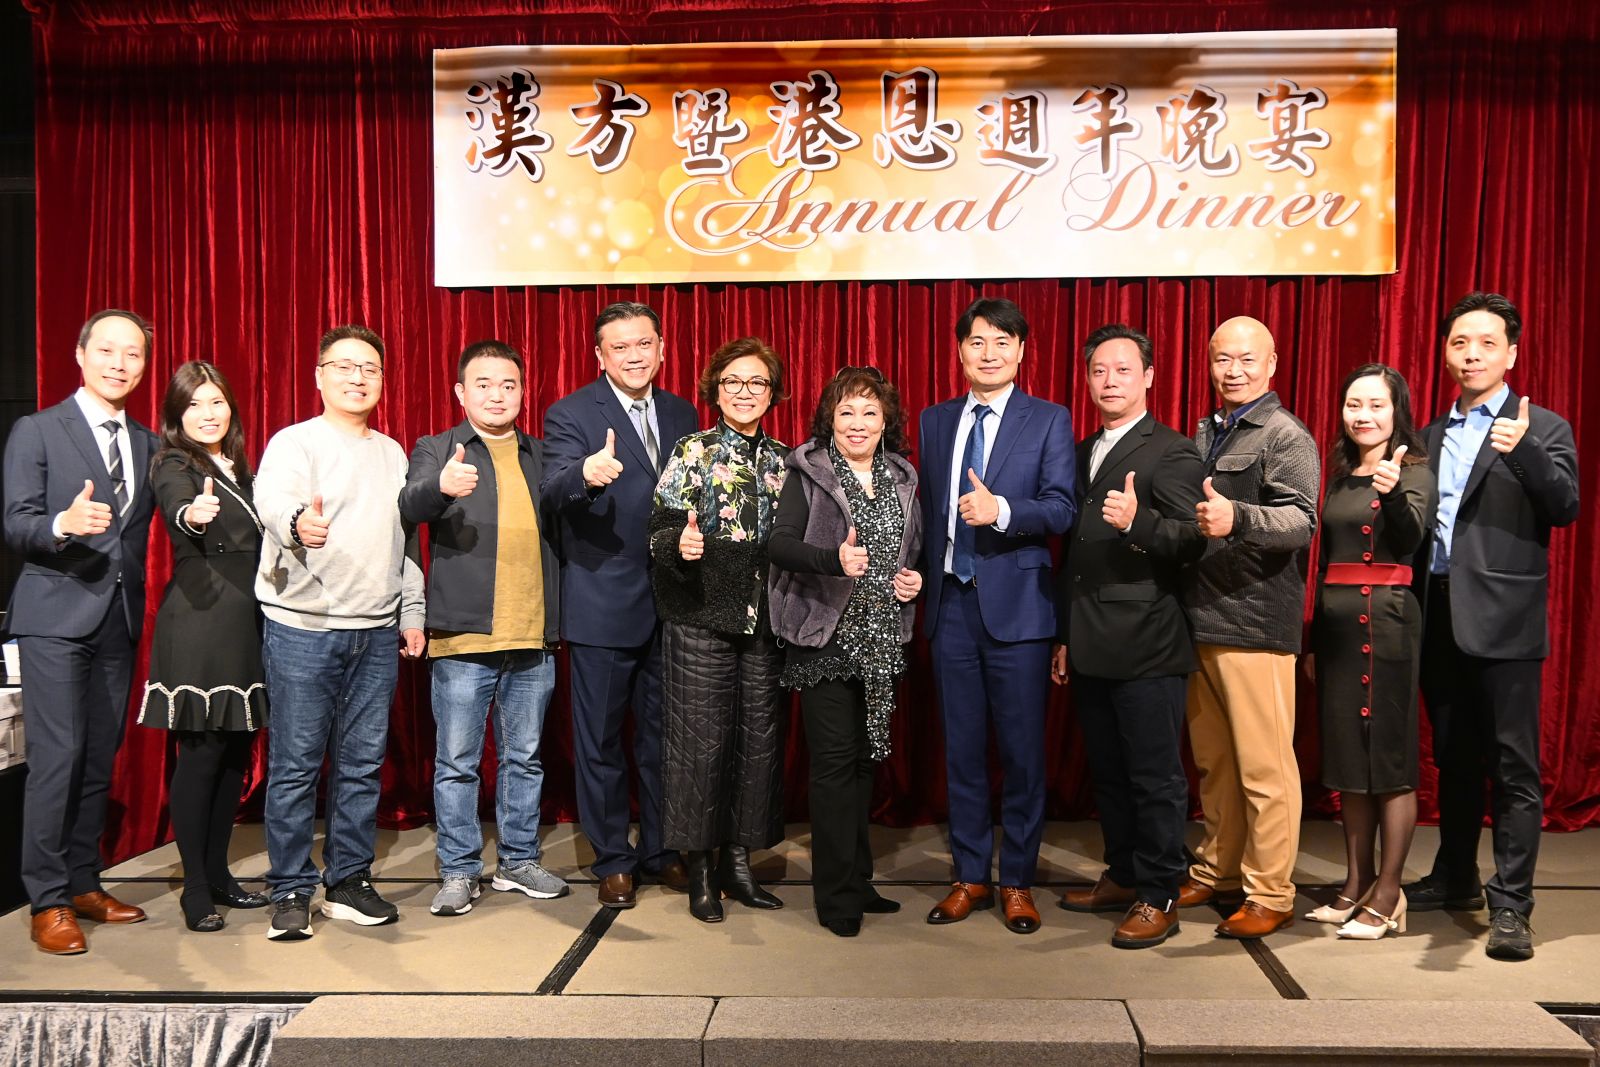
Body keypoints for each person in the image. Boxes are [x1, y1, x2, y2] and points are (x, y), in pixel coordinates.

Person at [1404, 292, 1578, 961]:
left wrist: (1525, 449)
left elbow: (1564, 506)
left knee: (1513, 765)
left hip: (1505, 620)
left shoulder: (1542, 426)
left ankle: (1512, 903)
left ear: (1511, 353)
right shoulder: (1426, 437)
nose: (1471, 354)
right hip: (1438, 614)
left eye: (1485, 343)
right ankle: (1455, 875)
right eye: (1459, 342)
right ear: (1446, 354)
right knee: (1453, 757)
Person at [253, 324, 426, 942]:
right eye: (345, 366)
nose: (358, 378)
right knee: (296, 765)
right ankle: (290, 886)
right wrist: (299, 523)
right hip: (303, 628)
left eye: (370, 369)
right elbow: (273, 502)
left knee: (360, 765)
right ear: (319, 376)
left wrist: (412, 611)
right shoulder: (294, 442)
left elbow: (405, 542)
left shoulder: (393, 453)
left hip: (375, 631)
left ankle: (348, 880)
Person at [3, 309, 159, 955]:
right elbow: (16, 522)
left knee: (98, 757)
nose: (119, 363)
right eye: (107, 350)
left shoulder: (147, 442)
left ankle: (84, 880)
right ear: (79, 353)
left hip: (117, 619)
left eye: (133, 354)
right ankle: (48, 899)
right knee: (57, 758)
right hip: (53, 620)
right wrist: (61, 525)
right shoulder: (38, 429)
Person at [918, 297, 1075, 936]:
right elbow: (924, 509)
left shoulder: (1049, 419)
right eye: (978, 342)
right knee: (960, 752)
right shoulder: (934, 420)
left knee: (1022, 755)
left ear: (1021, 351)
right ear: (960, 350)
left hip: (1019, 612)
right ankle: (969, 876)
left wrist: (1002, 511)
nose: (989, 354)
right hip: (950, 605)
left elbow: (1062, 508)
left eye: (1002, 342)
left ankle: (1017, 881)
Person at [400, 340, 567, 918]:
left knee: (525, 758)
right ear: (461, 392)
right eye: (484, 384)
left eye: (509, 385)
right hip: (463, 636)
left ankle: (518, 860)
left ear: (523, 391)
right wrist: (440, 487)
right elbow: (410, 505)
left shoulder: (540, 453)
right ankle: (459, 869)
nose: (497, 395)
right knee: (457, 762)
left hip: (533, 633)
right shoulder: (438, 448)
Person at [1052, 325, 1206, 949]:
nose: (1109, 381)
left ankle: (1160, 892)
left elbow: (1193, 540)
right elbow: (1075, 558)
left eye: (1122, 370)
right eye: (1099, 371)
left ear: (1148, 377)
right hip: (1090, 639)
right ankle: (1122, 874)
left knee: (1154, 777)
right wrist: (1065, 634)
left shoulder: (1172, 451)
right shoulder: (1082, 448)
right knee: (1109, 773)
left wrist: (1139, 522)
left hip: (1148, 641)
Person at [541, 301, 697, 907]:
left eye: (644, 344)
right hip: (603, 605)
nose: (635, 356)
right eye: (620, 347)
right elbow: (552, 490)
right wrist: (586, 473)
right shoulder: (572, 413)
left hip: (674, 603)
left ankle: (661, 850)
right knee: (601, 742)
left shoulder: (682, 412)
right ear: (600, 355)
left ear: (661, 348)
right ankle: (613, 858)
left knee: (663, 739)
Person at [768, 366, 922, 938]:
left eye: (869, 413)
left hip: (882, 638)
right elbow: (779, 544)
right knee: (833, 766)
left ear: (886, 422)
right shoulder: (808, 471)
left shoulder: (902, 477)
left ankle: (858, 880)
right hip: (823, 637)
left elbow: (912, 550)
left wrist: (913, 581)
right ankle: (835, 895)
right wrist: (832, 559)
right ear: (829, 420)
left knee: (862, 764)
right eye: (846, 412)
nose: (857, 423)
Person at [1180, 315, 1319, 940]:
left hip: (1256, 623)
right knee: (1215, 764)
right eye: (1222, 359)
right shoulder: (1208, 430)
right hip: (1201, 618)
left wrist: (1237, 516)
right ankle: (1218, 869)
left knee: (1265, 770)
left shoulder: (1285, 433)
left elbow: (1301, 522)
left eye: (1246, 359)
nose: (1233, 370)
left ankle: (1271, 892)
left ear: (1272, 364)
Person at [650, 338, 790, 923]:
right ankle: (701, 872)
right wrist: (678, 545)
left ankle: (739, 864)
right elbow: (659, 530)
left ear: (772, 393)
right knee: (699, 748)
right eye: (733, 381)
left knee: (757, 745)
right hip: (700, 616)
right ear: (716, 389)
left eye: (757, 382)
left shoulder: (787, 460)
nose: (744, 392)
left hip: (766, 622)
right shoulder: (694, 450)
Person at [138, 362, 272, 933]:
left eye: (216, 401)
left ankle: (219, 874)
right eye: (194, 404)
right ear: (177, 414)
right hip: (202, 621)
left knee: (235, 756)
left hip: (248, 622)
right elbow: (178, 507)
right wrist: (191, 514)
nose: (208, 413)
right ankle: (195, 887)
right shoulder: (175, 464)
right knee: (202, 755)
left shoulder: (242, 469)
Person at [1305, 364, 1435, 941]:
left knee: (1389, 760)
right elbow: (1323, 564)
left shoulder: (1414, 469)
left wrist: (1393, 492)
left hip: (1388, 625)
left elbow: (1411, 540)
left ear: (1396, 410)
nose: (1363, 415)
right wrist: (1313, 640)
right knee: (1348, 760)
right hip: (1337, 632)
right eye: (1354, 404)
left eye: (1377, 405)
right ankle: (1355, 883)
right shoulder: (1338, 476)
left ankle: (1388, 891)